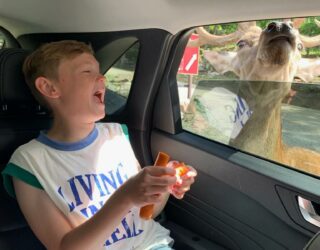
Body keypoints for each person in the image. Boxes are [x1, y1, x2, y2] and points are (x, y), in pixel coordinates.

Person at [1, 40, 197, 250]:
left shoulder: (116, 134)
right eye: (87, 71)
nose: (102, 77)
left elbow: (145, 213)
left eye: (100, 71)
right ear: (49, 87)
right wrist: (125, 196)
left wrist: (164, 183)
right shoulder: (28, 163)